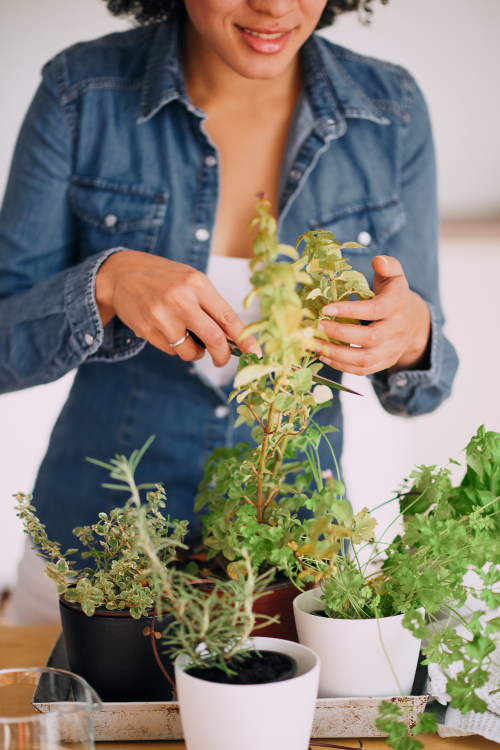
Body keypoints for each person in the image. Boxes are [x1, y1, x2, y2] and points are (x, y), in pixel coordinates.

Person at [0, 0, 458, 624]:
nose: (272, 6)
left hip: (295, 569)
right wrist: (104, 283)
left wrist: (412, 336)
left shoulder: (391, 111)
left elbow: (426, 385)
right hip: (96, 562)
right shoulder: (80, 93)